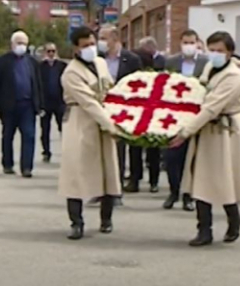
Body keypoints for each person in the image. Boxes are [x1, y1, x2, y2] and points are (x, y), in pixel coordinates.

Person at [173, 31, 240, 246]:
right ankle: (204, 228)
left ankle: (233, 219)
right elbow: (199, 93)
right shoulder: (211, 68)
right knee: (201, 178)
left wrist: (185, 132)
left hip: (225, 131)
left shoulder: (234, 77)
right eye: (212, 49)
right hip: (206, 130)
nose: (215, 54)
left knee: (223, 178)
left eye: (220, 51)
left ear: (230, 52)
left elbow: (211, 107)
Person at [58, 26, 121, 240]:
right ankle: (76, 222)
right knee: (77, 172)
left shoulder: (101, 64)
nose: (91, 49)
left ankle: (107, 219)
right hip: (81, 121)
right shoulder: (71, 73)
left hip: (104, 118)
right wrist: (110, 125)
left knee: (108, 170)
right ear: (75, 49)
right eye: (85, 46)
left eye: (92, 44)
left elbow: (110, 90)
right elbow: (89, 102)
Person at [162, 29, 208, 211]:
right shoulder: (172, 61)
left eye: (192, 42)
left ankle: (189, 195)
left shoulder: (206, 62)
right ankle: (174, 191)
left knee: (192, 157)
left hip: (196, 116)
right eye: (185, 42)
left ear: (198, 43)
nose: (189, 46)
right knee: (172, 157)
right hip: (174, 116)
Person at [0, 31, 44, 178]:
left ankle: (27, 167)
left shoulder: (32, 62)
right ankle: (7, 164)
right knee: (8, 135)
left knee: (29, 135)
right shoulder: (2, 61)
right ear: (12, 44)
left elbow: (37, 84)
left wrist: (40, 105)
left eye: (24, 43)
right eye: (19, 43)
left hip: (28, 105)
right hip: (9, 105)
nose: (22, 46)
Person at [98, 25, 141, 194]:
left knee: (121, 147)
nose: (101, 42)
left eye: (104, 38)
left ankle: (119, 184)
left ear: (115, 39)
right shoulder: (98, 59)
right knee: (105, 146)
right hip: (103, 107)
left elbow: (139, 84)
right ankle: (103, 185)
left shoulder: (131, 59)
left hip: (125, 109)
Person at [124, 36, 164, 194]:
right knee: (147, 148)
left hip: (147, 114)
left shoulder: (148, 77)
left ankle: (139, 178)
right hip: (142, 114)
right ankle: (148, 180)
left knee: (141, 148)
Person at [39, 42, 66, 163]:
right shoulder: (40, 67)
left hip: (59, 102)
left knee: (63, 128)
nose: (51, 54)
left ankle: (66, 151)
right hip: (45, 103)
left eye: (53, 51)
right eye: (48, 51)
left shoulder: (62, 66)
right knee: (45, 129)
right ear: (45, 53)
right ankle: (46, 151)